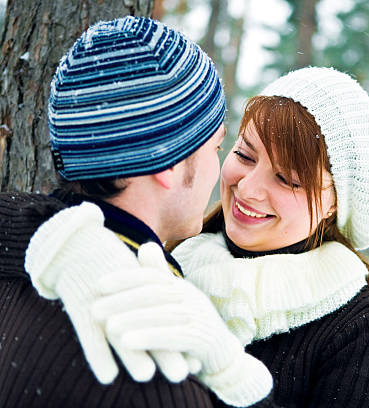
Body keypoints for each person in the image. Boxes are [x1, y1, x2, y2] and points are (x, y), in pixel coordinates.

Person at [25, 67, 369, 407]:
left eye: (287, 180)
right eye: (245, 155)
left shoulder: (367, 328)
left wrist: (234, 377)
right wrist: (58, 236)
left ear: (333, 205)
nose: (247, 189)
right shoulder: (170, 252)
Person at [0, 16, 271, 408]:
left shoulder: (24, 267)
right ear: (167, 164)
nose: (220, 170)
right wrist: (239, 381)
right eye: (213, 148)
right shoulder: (156, 372)